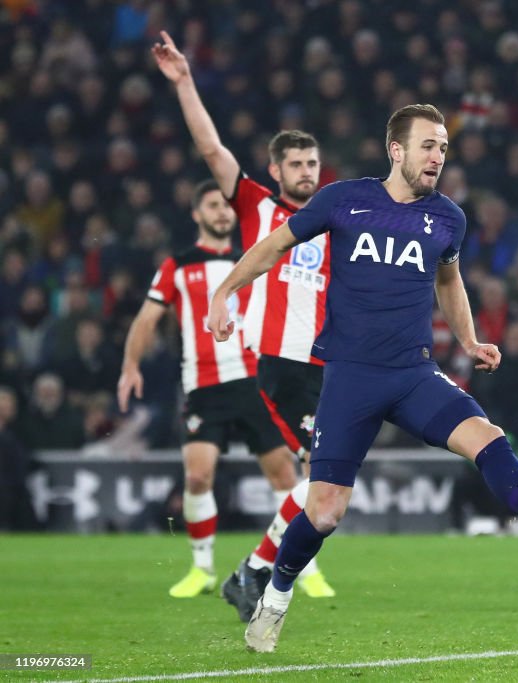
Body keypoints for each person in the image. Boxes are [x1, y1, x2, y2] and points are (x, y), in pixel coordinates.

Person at [207, 104, 518, 652]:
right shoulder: (342, 199)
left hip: (412, 374)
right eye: (428, 145)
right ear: (396, 150)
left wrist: (470, 340)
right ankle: (276, 595)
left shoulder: (448, 217)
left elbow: (449, 281)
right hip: (351, 378)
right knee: (325, 511)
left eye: (445, 148)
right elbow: (274, 247)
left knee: (488, 438)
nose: (438, 157)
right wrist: (224, 291)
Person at [152, 30, 336, 612]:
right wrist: (185, 84)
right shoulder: (257, 205)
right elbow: (211, 150)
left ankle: (257, 571)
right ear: (275, 169)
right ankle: (254, 571)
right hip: (277, 364)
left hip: (324, 366)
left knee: (323, 484)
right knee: (323, 478)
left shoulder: (335, 220)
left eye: (313, 162)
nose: (308, 171)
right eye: (297, 164)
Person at [117, 180, 298, 598]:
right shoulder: (177, 266)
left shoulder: (252, 259)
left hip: (255, 382)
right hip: (203, 387)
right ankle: (202, 568)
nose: (222, 212)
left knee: (284, 475)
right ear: (197, 214)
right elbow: (146, 320)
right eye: (212, 206)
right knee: (197, 477)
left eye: (225, 206)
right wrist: (130, 364)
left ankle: (305, 570)